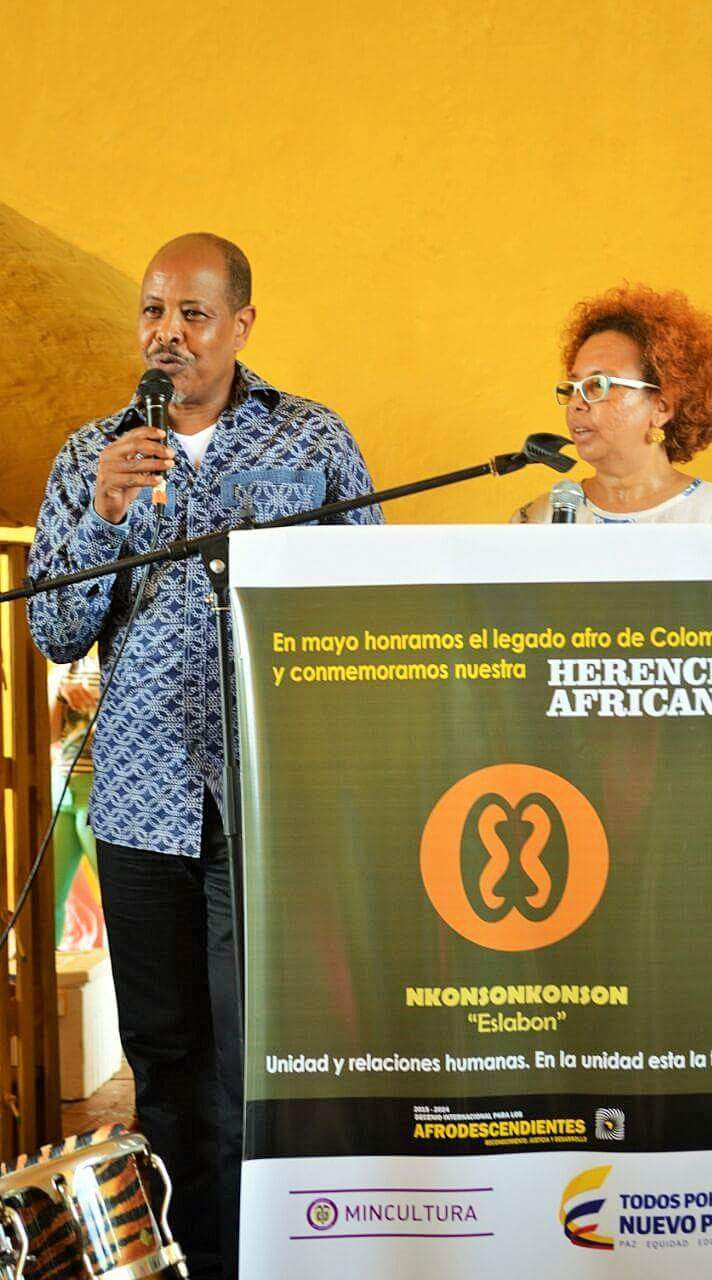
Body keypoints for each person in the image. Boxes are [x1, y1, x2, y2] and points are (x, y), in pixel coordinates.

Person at [27, 233, 383, 1280]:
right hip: (140, 797)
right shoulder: (92, 455)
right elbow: (54, 629)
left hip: (269, 796)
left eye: (192, 313)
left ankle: (264, 1257)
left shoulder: (311, 438)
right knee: (164, 1055)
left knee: (252, 1050)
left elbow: (371, 603)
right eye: (152, 311)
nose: (167, 333)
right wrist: (103, 514)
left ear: (240, 324)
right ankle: (185, 1257)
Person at [512, 283, 712, 906]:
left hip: (697, 811)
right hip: (563, 807)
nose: (577, 405)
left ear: (663, 406)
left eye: (600, 386)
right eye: (572, 387)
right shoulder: (540, 518)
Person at [48, 653, 103, 948]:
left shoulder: (113, 657)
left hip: (97, 788)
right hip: (60, 787)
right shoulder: (64, 665)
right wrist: (59, 693)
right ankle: (48, 967)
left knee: (115, 891)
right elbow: (46, 735)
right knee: (50, 894)